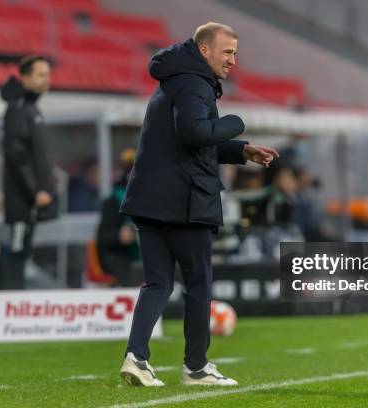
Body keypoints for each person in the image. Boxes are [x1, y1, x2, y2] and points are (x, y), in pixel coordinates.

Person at [119, 22, 278, 387]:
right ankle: (196, 367)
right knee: (198, 283)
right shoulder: (195, 83)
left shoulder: (175, 79)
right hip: (184, 201)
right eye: (227, 52)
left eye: (235, 53)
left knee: (157, 284)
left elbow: (189, 139)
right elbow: (195, 132)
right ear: (204, 50)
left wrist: (241, 150)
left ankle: (136, 357)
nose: (233, 60)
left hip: (149, 198)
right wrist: (236, 123)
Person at [0, 55, 58, 289]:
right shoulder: (18, 108)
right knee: (15, 253)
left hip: (31, 200)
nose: (47, 80)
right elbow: (16, 155)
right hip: (21, 201)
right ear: (25, 77)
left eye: (48, 74)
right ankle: (5, 311)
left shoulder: (32, 108)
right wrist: (35, 190)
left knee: (23, 254)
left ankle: (15, 307)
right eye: (40, 75)